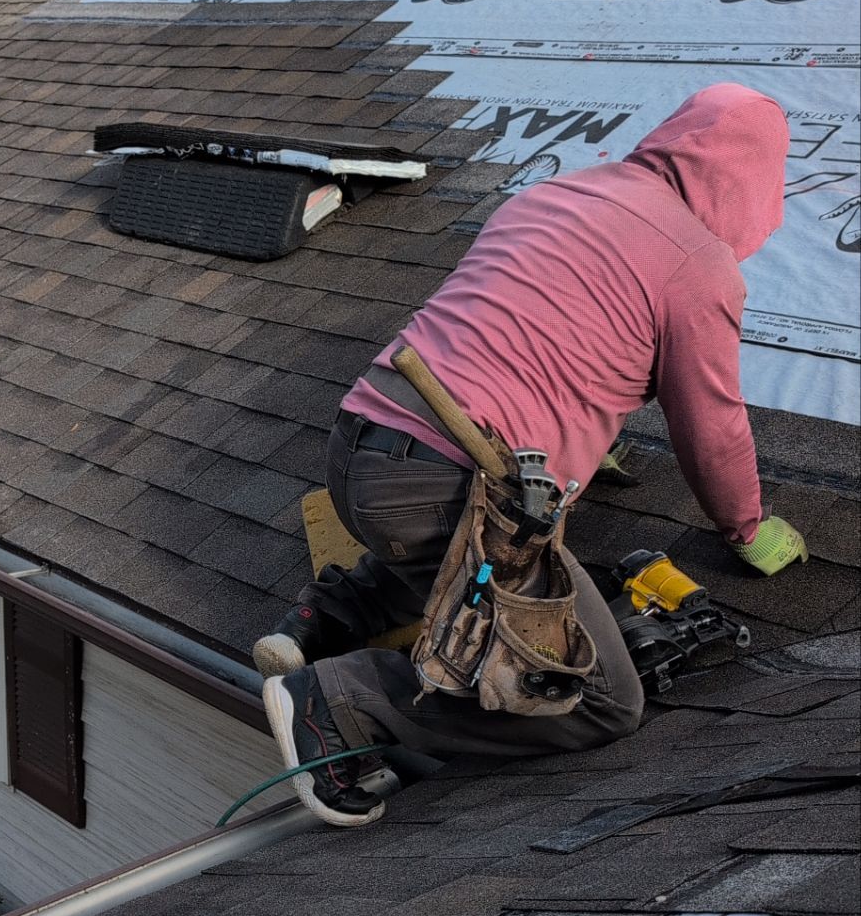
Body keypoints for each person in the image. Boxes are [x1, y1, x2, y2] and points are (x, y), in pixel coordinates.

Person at [257, 83, 808, 828]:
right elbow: (710, 425)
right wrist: (746, 524)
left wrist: (586, 439)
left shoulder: (562, 193)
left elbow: (537, 328)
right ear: (750, 182)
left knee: (446, 560)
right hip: (442, 482)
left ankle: (323, 619)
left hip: (363, 446)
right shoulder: (697, 265)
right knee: (603, 699)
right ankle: (341, 703)